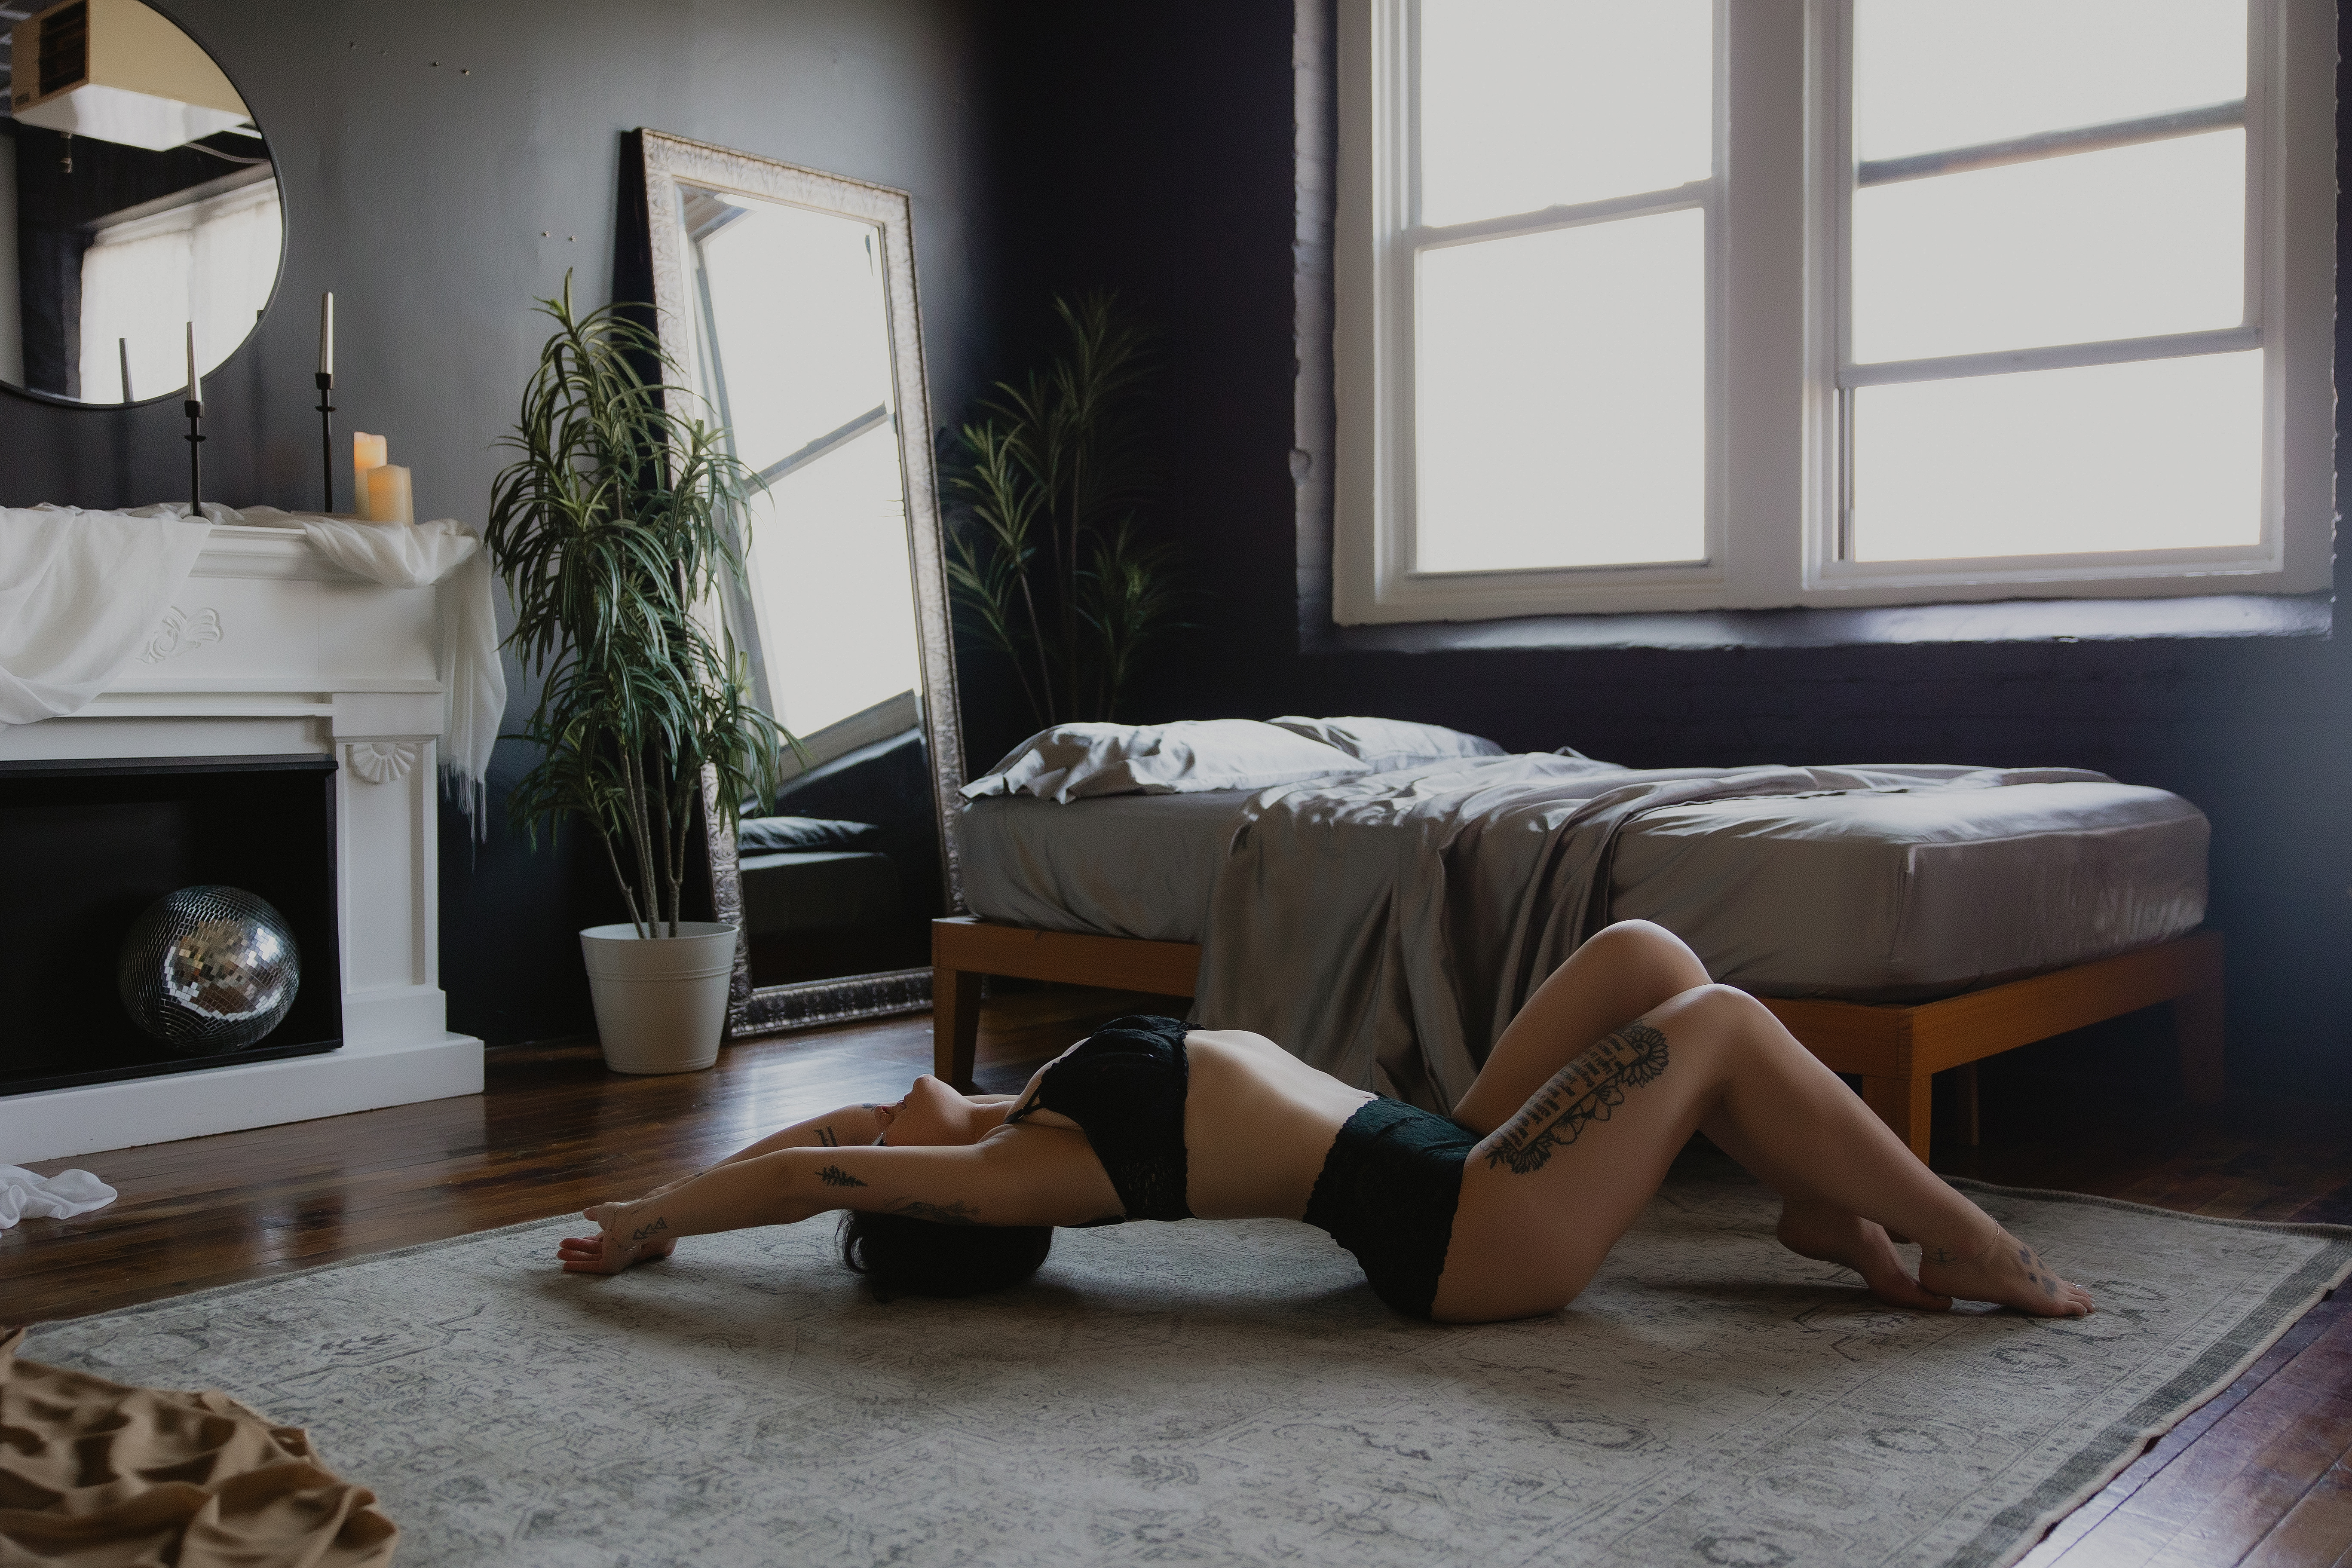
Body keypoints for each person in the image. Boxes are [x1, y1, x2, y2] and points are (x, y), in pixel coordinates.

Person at [556, 920, 2092, 1323]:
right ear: (928, 1196)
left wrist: (684, 1181)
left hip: (1436, 1141)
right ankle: (1967, 1239)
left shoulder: (1018, 1108)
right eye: (892, 1160)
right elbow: (828, 1165)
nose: (872, 1110)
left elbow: (819, 1135)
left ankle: (1826, 1206)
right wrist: (651, 1224)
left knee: (1650, 965)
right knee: (1726, 1025)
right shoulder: (1038, 1165)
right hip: (1470, 1234)